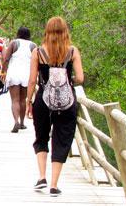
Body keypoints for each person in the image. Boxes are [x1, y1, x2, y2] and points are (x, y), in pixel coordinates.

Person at [26, 16, 84, 197]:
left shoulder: (38, 52)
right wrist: (67, 81)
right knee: (61, 140)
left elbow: (32, 80)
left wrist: (29, 101)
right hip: (66, 104)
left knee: (41, 136)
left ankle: (42, 177)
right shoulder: (73, 51)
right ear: (65, 31)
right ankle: (53, 185)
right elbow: (81, 79)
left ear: (47, 31)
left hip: (43, 101)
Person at [1, 27, 36, 133]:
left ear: (18, 34)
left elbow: (6, 59)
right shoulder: (33, 46)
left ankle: (15, 121)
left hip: (14, 73)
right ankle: (22, 123)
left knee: (15, 100)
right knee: (23, 100)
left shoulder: (14, 43)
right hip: (27, 74)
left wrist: (3, 72)